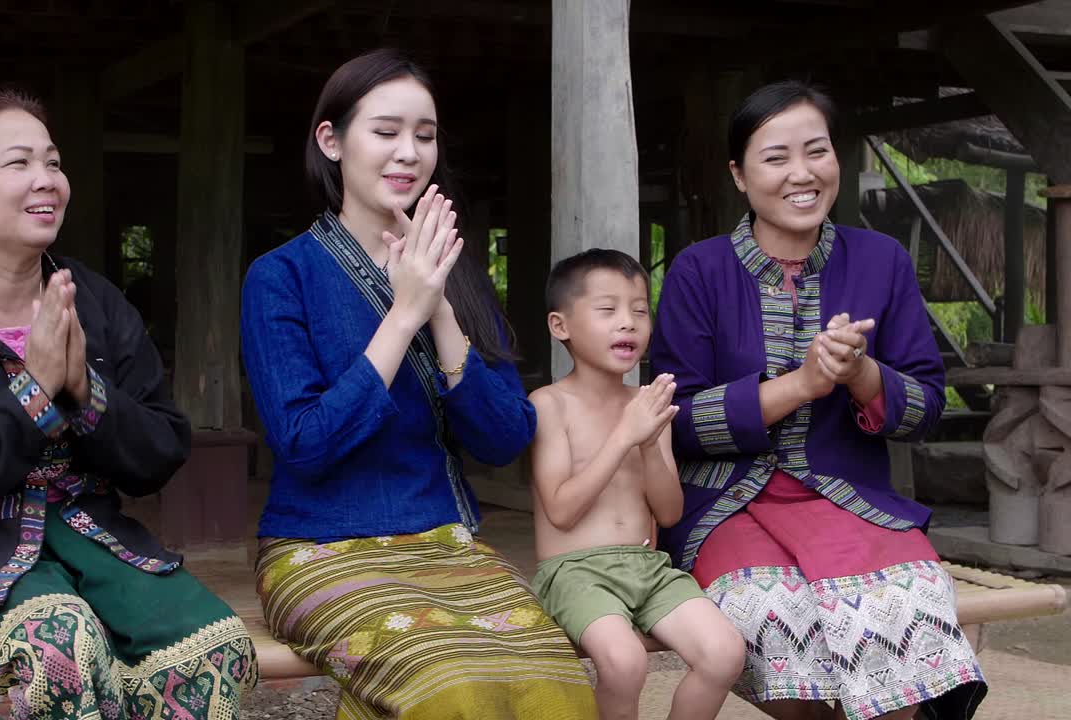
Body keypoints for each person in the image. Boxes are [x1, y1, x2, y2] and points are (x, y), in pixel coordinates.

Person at [0, 88, 256, 720]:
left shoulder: (93, 302)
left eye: (54, 162)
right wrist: (32, 396)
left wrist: (85, 394)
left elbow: (161, 451)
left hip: (87, 542)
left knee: (213, 652)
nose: (47, 181)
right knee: (59, 643)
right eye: (19, 164)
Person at [240, 49, 596, 719]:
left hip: (445, 543)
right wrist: (403, 315)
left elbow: (504, 437)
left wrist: (439, 307)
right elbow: (305, 444)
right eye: (385, 131)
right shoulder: (280, 276)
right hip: (318, 549)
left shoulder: (451, 276)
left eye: (424, 135)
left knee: (558, 686)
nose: (409, 152)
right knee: (450, 689)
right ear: (331, 140)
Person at [650, 80, 987, 720]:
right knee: (779, 623)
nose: (801, 174)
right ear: (739, 176)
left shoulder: (881, 261)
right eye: (776, 158)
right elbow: (679, 421)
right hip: (728, 505)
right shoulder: (698, 271)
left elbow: (927, 407)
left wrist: (862, 375)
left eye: (817, 151)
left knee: (910, 612)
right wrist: (800, 386)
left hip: (851, 498)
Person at [529, 249, 745, 720]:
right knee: (625, 662)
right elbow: (562, 511)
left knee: (724, 652)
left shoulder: (648, 405)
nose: (627, 323)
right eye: (607, 311)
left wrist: (647, 443)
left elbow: (668, 513)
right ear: (560, 325)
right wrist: (625, 435)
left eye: (640, 311)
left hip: (648, 567)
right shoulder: (550, 405)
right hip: (575, 572)